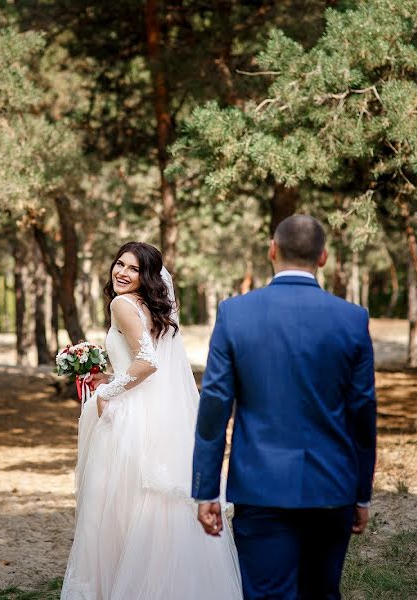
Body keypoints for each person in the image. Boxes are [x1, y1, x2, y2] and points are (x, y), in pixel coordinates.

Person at [192, 215, 377, 600]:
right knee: (322, 593)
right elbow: (363, 414)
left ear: (272, 250)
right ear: (323, 257)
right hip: (332, 487)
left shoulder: (235, 314)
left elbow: (214, 407)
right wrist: (361, 494)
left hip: (260, 486)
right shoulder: (352, 319)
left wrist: (206, 490)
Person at [61, 242, 242, 600]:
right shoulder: (150, 307)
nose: (122, 273)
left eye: (132, 269)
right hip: (152, 411)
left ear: (146, 277)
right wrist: (108, 377)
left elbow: (147, 362)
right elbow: (144, 360)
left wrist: (108, 393)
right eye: (119, 264)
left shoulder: (122, 304)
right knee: (150, 505)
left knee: (116, 509)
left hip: (128, 417)